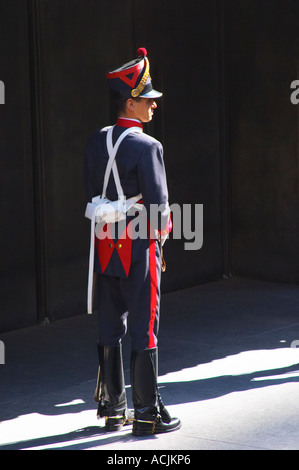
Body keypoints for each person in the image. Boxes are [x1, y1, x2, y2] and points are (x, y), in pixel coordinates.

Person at [84, 47, 181, 436]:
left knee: (110, 323)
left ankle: (111, 408)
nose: (153, 106)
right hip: (138, 242)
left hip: (104, 241)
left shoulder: (96, 140)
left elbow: (92, 193)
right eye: (147, 100)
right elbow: (159, 210)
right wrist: (160, 245)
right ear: (130, 102)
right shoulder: (148, 146)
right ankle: (147, 412)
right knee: (145, 324)